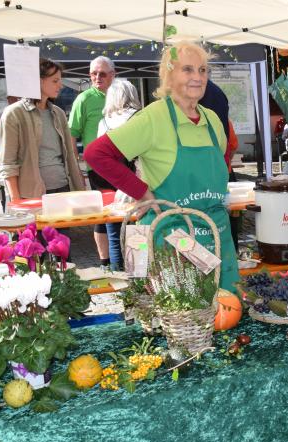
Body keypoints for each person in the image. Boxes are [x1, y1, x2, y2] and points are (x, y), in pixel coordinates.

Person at [85, 41, 238, 292]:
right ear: (169, 75)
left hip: (215, 233)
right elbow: (96, 154)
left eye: (202, 70)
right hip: (172, 235)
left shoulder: (212, 120)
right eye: (187, 69)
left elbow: (220, 164)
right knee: (179, 313)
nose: (198, 77)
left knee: (225, 307)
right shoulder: (154, 117)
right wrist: (142, 193)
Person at [0, 58, 85, 201]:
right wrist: (16, 200)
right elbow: (8, 163)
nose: (61, 85)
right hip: (32, 194)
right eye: (55, 81)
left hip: (64, 188)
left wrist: (78, 186)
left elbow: (69, 155)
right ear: (38, 81)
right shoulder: (14, 113)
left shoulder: (58, 113)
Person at [69, 56, 116, 267]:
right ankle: (106, 261)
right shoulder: (84, 99)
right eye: (93, 73)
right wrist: (75, 167)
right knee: (102, 215)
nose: (97, 77)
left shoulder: (120, 95)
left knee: (127, 212)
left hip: (124, 164)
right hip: (98, 167)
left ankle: (127, 257)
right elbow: (72, 135)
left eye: (102, 73)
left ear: (113, 75)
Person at [92, 79, 142, 271]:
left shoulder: (103, 122)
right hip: (136, 180)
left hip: (111, 183)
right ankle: (138, 275)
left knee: (113, 234)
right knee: (137, 232)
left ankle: (118, 275)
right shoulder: (139, 117)